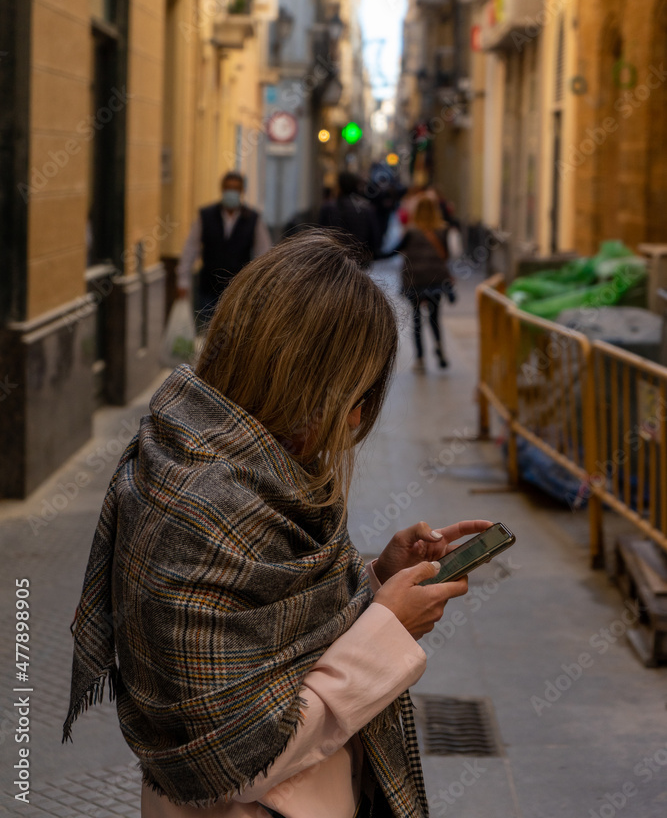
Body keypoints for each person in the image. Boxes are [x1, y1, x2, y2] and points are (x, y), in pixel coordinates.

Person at [63, 231, 490, 818]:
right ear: (318, 391)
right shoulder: (202, 504)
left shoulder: (237, 461)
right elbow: (240, 757)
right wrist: (387, 628)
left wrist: (373, 582)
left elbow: (273, 626)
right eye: (358, 396)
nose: (360, 417)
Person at [177, 171, 272, 326]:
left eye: (235, 189)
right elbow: (190, 248)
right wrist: (183, 280)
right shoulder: (205, 216)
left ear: (242, 191)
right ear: (222, 189)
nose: (231, 192)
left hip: (239, 290)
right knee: (208, 330)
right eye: (228, 188)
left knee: (232, 334)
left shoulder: (253, 219)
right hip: (209, 287)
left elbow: (264, 253)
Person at [396, 195, 454, 373]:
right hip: (435, 280)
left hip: (415, 280)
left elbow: (398, 250)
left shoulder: (410, 232)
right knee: (435, 318)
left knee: (417, 319)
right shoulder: (443, 230)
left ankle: (420, 358)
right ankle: (439, 348)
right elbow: (447, 256)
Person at [318, 171, 381, 264]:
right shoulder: (366, 208)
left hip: (333, 262)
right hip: (359, 262)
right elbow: (375, 240)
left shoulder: (328, 208)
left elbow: (320, 237)